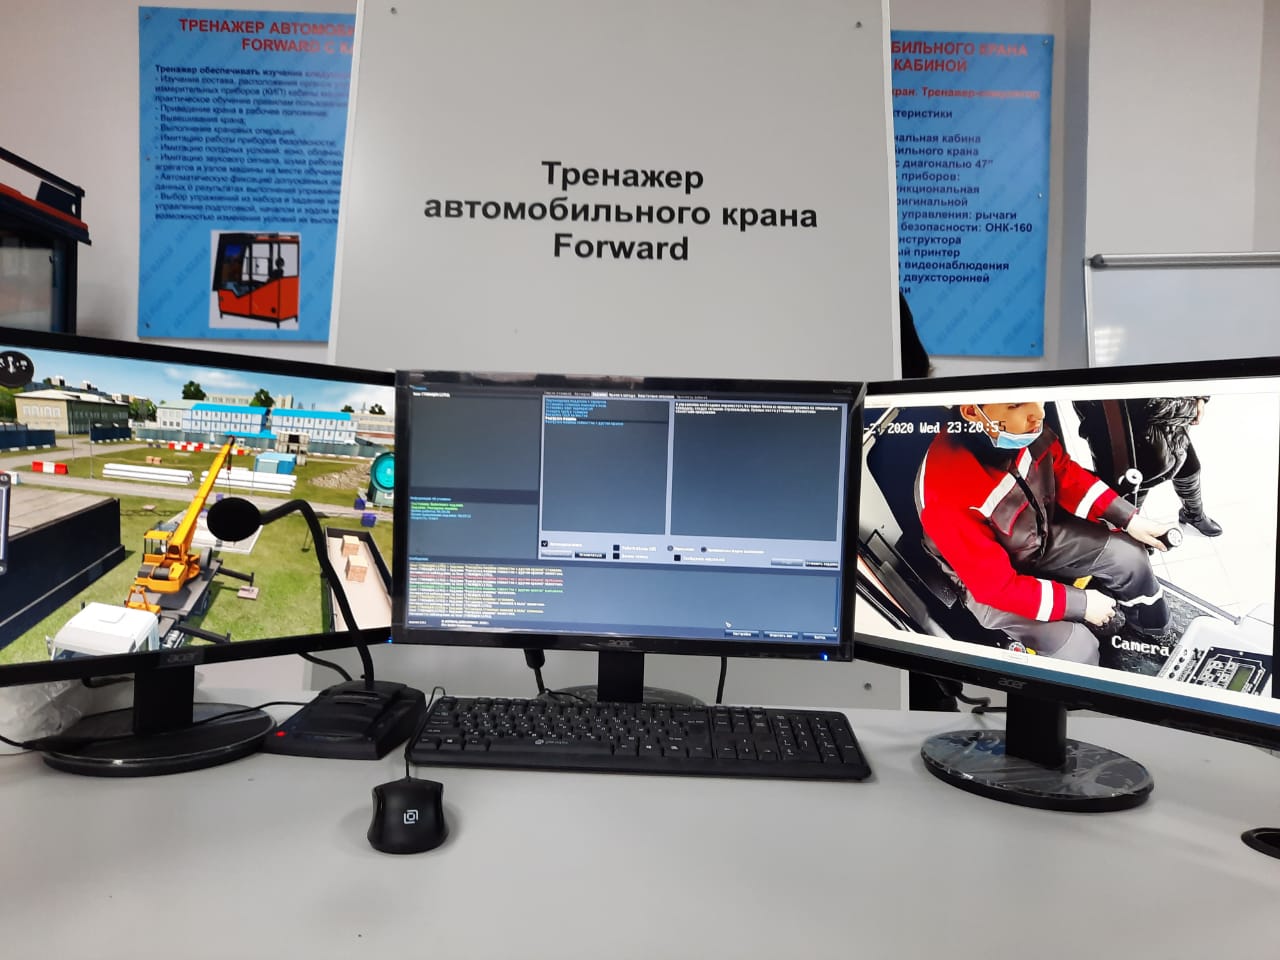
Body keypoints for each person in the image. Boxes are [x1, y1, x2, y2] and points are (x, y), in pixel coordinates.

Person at [915, 401, 1173, 666]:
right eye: (1016, 405)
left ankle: (1154, 633)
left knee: (1129, 555)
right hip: (986, 585)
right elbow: (997, 588)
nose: (1038, 413)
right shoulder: (944, 494)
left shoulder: (1024, 430)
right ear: (972, 412)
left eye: (1036, 398)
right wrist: (1081, 604)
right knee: (1077, 649)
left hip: (1038, 536)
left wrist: (1128, 519)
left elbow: (1064, 472)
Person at [1073, 397, 1222, 536]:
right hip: (1124, 437)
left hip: (1170, 427)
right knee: (1134, 490)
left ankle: (1193, 514)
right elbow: (1148, 404)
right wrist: (1193, 407)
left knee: (1190, 470)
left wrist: (1201, 397)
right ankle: (1130, 534)